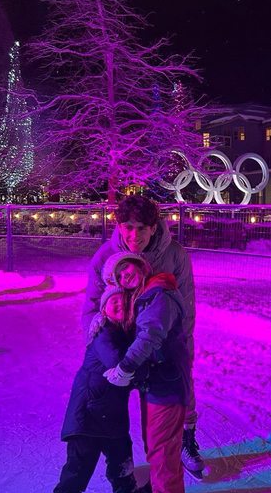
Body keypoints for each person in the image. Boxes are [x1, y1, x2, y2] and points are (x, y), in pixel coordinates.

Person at [82, 195, 204, 478]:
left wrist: (183, 348)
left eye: (141, 228)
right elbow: (90, 307)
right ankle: (119, 459)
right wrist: (100, 348)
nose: (133, 234)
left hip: (159, 341)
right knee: (108, 402)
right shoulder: (105, 256)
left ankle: (184, 441)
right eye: (127, 226)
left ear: (153, 227)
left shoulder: (174, 255)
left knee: (174, 394)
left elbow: (186, 305)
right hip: (119, 341)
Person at [51, 286, 150, 493]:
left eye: (123, 302)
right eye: (113, 302)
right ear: (104, 308)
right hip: (87, 414)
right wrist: (144, 374)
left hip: (112, 416)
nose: (118, 305)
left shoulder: (125, 334)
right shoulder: (104, 333)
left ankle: (130, 492)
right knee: (80, 466)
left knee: (122, 458)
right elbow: (119, 363)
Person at [102, 254, 190, 493]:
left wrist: (125, 367)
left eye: (125, 268)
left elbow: (151, 335)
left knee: (162, 447)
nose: (125, 276)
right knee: (157, 445)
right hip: (156, 380)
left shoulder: (158, 294)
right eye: (119, 276)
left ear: (140, 265)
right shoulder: (147, 295)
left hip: (166, 381)